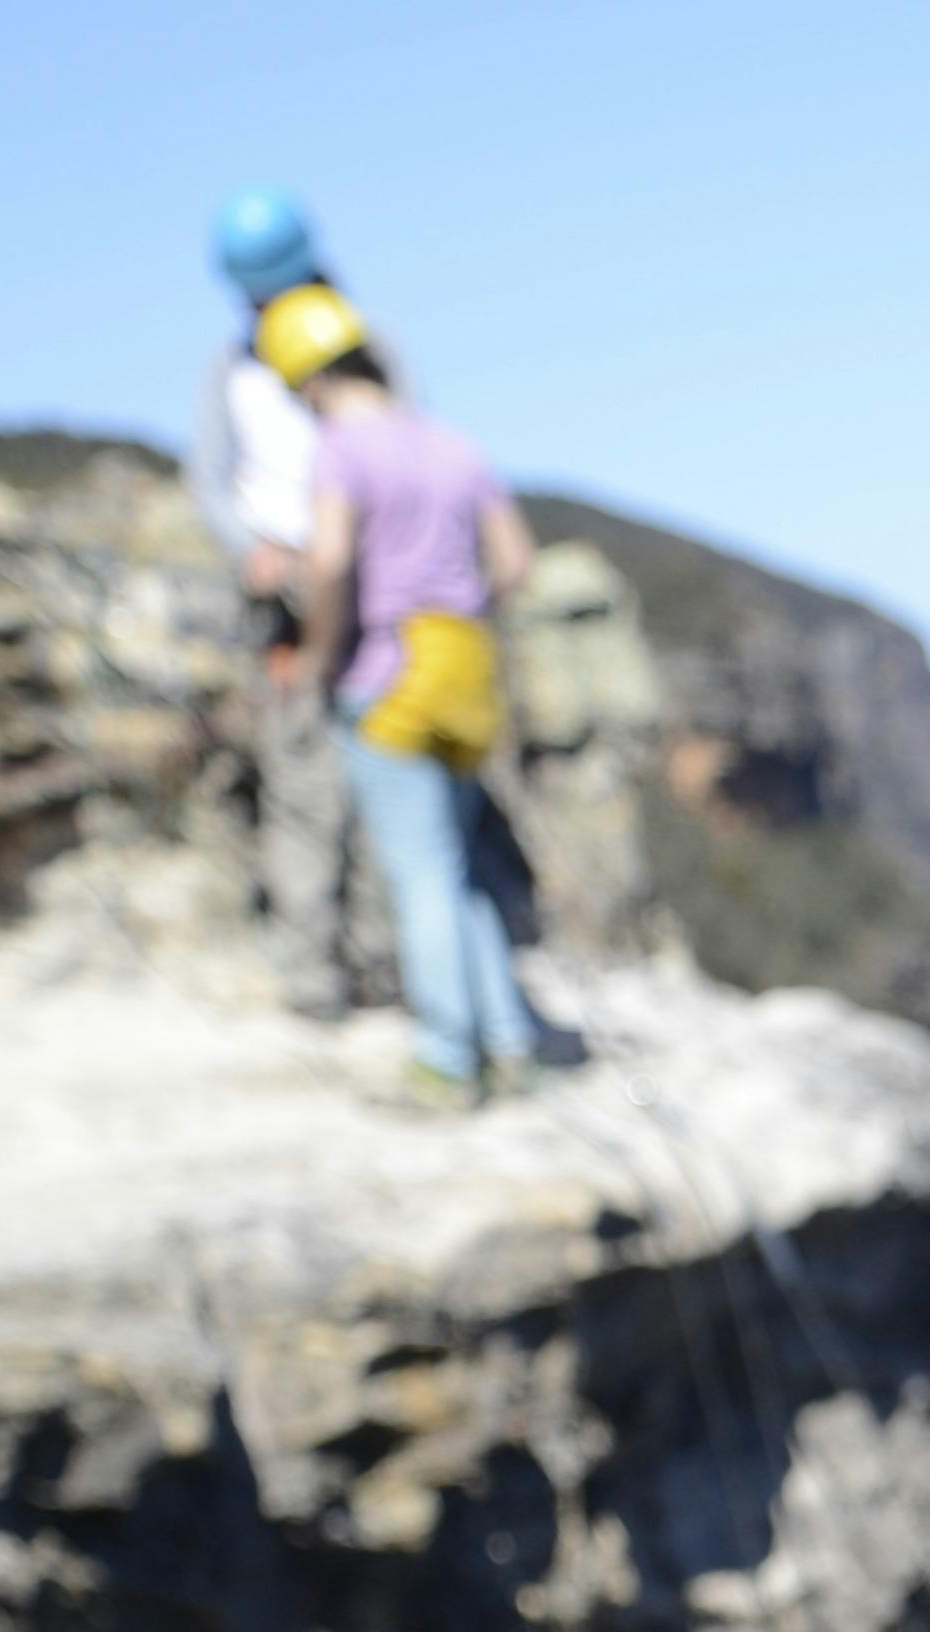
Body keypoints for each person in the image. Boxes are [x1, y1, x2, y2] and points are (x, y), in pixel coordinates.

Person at [260, 285, 544, 1109]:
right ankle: (512, 1044)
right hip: (462, 668)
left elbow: (331, 561)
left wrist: (317, 655)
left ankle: (446, 1061)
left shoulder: (340, 450)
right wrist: (460, 607)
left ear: (306, 381)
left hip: (384, 674)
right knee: (455, 869)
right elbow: (516, 561)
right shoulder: (452, 444)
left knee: (418, 873)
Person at [190, 188, 363, 1019]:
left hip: (366, 587)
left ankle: (384, 956)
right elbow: (210, 480)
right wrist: (250, 548)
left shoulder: (369, 353)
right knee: (300, 780)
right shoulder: (230, 372)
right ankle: (311, 969)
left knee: (384, 776)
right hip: (280, 598)